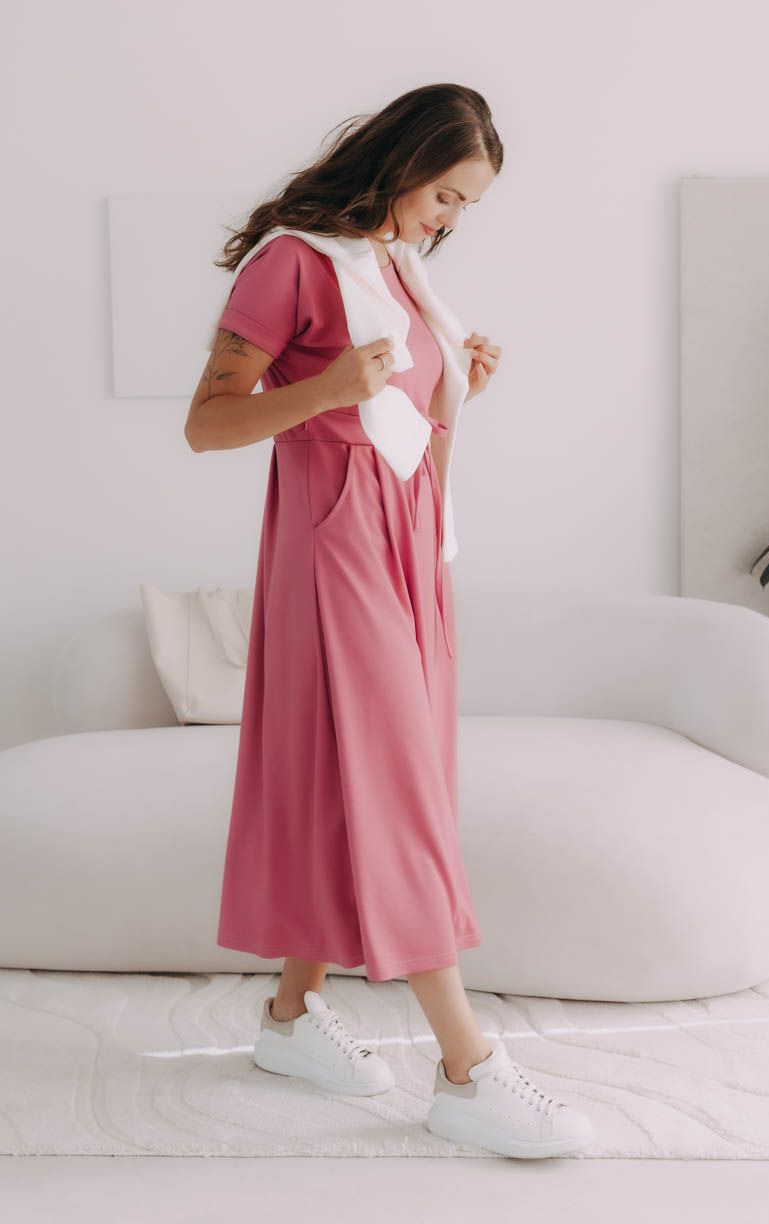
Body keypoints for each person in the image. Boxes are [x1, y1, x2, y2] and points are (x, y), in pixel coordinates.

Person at [185, 83, 595, 1158]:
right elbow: (209, 423)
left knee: (356, 771)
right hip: (335, 539)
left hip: (408, 538)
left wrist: (458, 391)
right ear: (401, 161)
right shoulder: (293, 261)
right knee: (395, 782)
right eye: (446, 193)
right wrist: (324, 390)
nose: (450, 218)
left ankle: (290, 1017)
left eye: (467, 205)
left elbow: (399, 425)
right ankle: (467, 1068)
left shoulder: (397, 268)